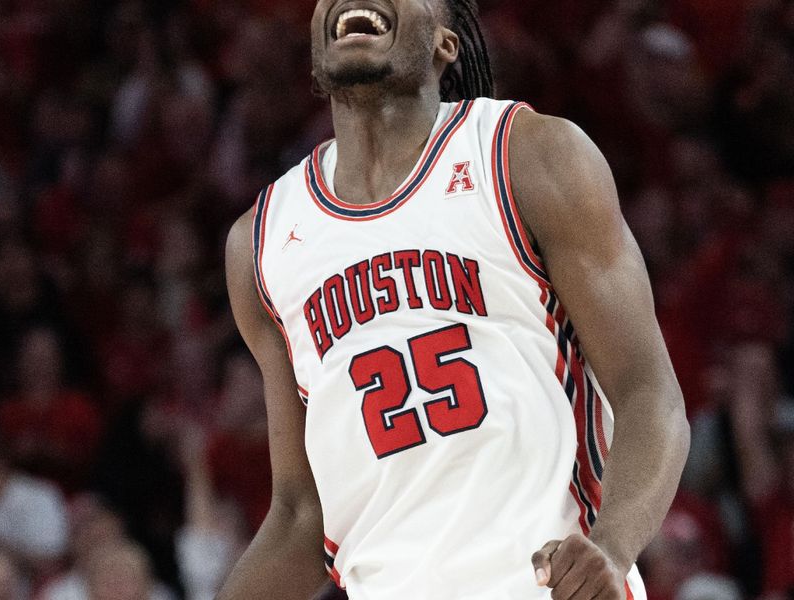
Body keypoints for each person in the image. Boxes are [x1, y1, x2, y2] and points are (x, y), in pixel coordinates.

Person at [220, 1, 690, 599]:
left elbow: (651, 395)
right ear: (315, 56)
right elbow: (298, 516)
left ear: (445, 44)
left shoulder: (528, 156)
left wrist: (613, 548)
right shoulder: (261, 245)